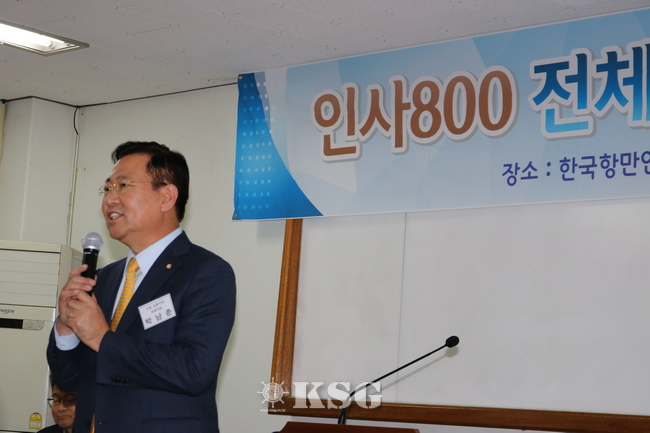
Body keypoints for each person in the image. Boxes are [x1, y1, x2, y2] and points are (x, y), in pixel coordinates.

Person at [47, 141, 236, 433]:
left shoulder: (206, 272)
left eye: (123, 185)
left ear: (166, 197)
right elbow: (69, 380)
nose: (110, 199)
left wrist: (100, 337)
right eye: (107, 188)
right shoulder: (103, 279)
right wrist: (66, 326)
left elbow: (193, 370)